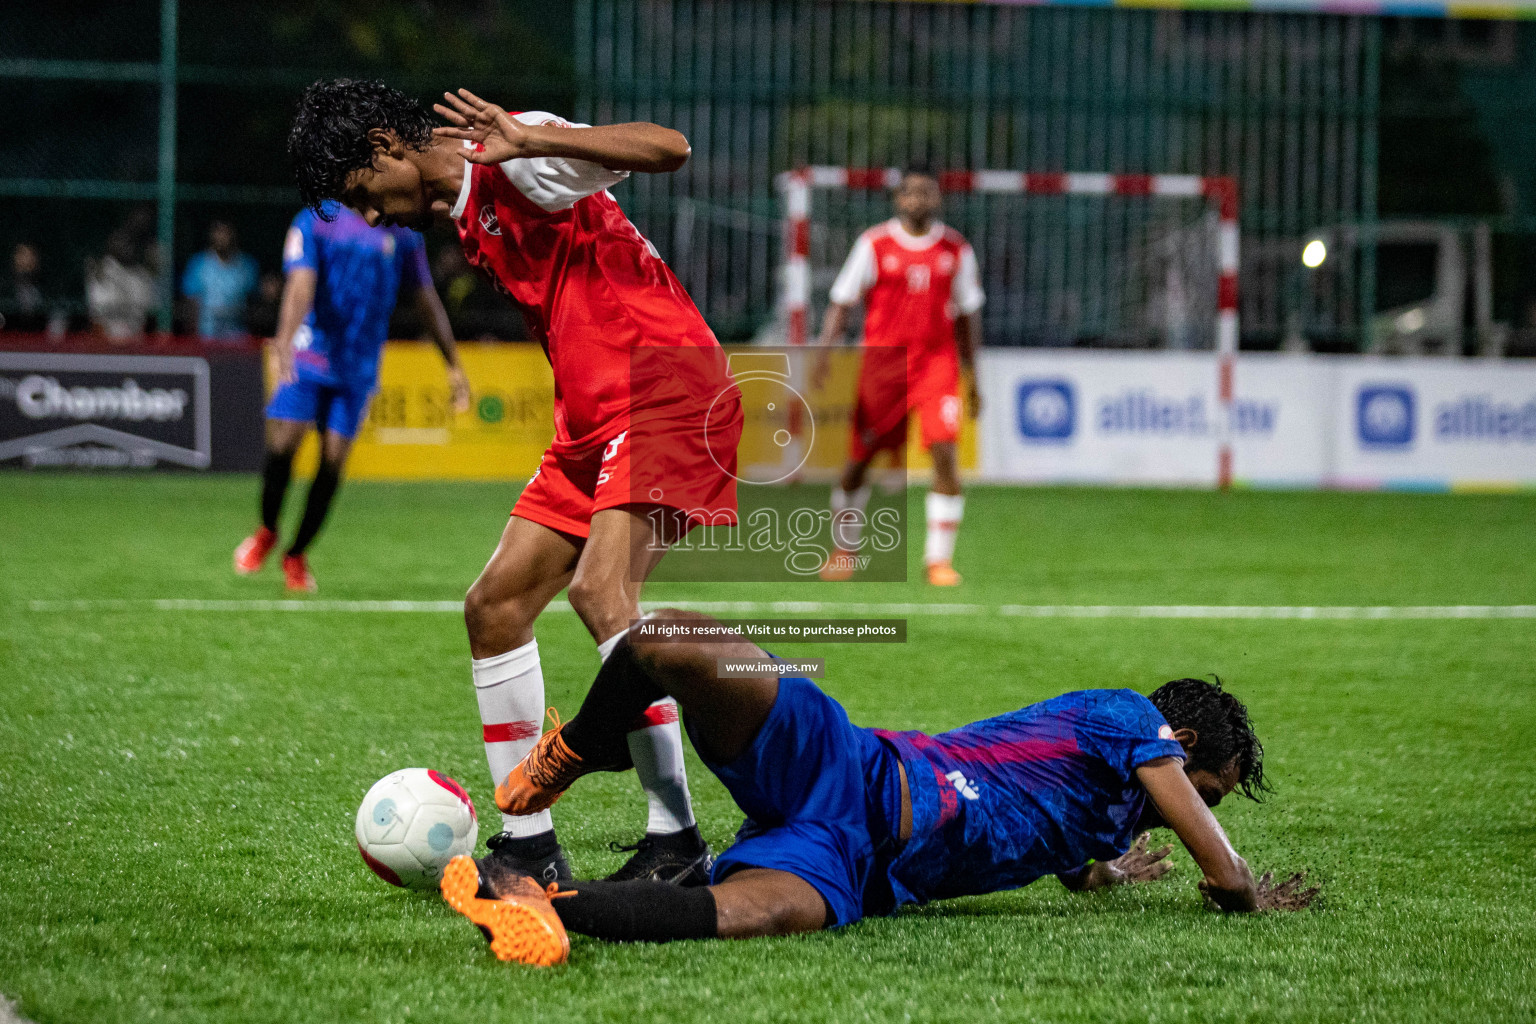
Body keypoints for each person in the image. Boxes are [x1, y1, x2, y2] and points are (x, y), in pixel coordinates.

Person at [286, 80, 743, 885]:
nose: (372, 218)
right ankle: (529, 842)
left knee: (602, 592)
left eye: (365, 195)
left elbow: (670, 147)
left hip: (665, 384)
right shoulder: (462, 205)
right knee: (494, 608)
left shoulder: (515, 152)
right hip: (593, 417)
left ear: (389, 147)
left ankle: (677, 840)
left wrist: (534, 143)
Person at [438, 609, 1319, 966]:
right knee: (677, 641)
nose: (1199, 810)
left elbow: (1055, 846)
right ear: (1182, 741)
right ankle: (580, 750)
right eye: (1212, 789)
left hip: (860, 868)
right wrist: (1237, 884)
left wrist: (1102, 872)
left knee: (757, 913)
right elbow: (1212, 855)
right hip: (853, 769)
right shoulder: (1127, 718)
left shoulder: (1102, 815)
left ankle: (528, 897)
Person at [232, 200, 470, 592]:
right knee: (282, 445)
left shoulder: (403, 232)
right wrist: (285, 340)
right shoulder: (317, 219)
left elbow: (425, 298)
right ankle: (268, 530)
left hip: (359, 364)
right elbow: (300, 284)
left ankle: (296, 553)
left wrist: (453, 363)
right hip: (310, 351)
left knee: (332, 461)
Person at [811, 171, 984, 586]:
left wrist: (972, 374)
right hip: (882, 367)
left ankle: (937, 561)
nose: (918, 199)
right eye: (910, 192)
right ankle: (843, 550)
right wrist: (823, 353)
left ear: (937, 198)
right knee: (860, 459)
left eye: (926, 192)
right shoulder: (874, 244)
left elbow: (968, 312)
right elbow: (842, 301)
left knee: (945, 451)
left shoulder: (955, 249)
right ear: (898, 198)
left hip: (936, 364)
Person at [181, 220, 260, 341]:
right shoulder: (198, 263)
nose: (222, 237)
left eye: (225, 232)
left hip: (237, 336)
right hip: (206, 335)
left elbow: (252, 303)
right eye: (218, 232)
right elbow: (191, 302)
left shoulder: (246, 265)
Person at [85, 228, 156, 341]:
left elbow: (148, 311)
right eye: (122, 242)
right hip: (105, 338)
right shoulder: (101, 270)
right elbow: (97, 312)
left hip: (135, 339)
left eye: (130, 243)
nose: (127, 247)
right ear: (111, 244)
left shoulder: (141, 276)